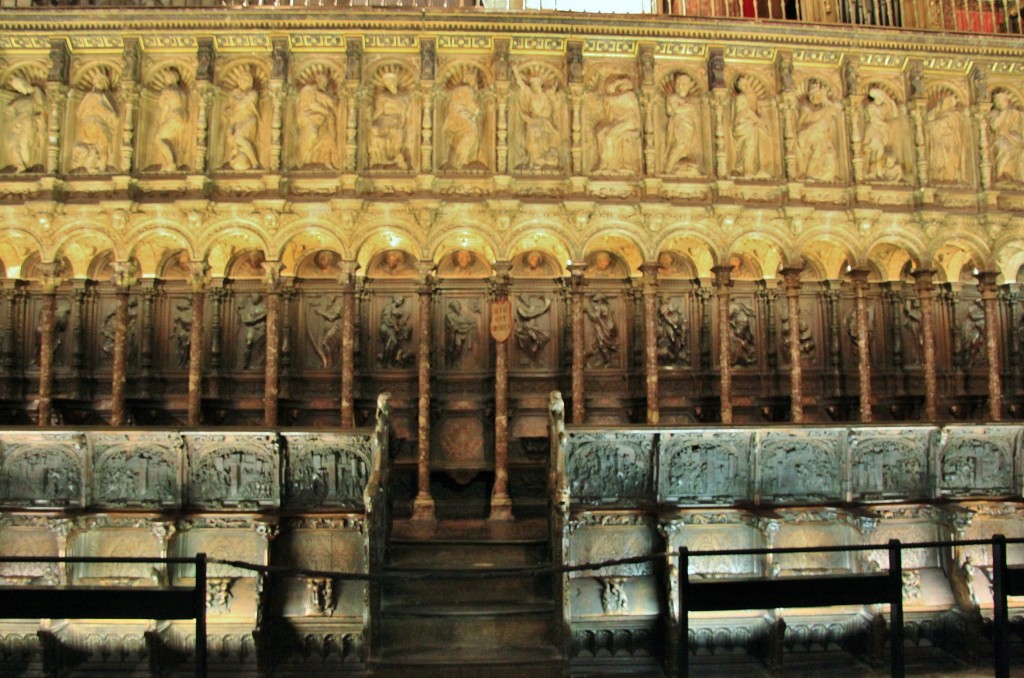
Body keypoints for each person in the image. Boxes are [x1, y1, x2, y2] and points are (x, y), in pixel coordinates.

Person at [71, 72, 119, 173]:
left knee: (102, 146)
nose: (99, 83)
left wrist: (104, 112)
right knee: (93, 146)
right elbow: (80, 111)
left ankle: (102, 168)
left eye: (102, 81)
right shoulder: (89, 96)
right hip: (90, 123)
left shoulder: (107, 98)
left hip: (101, 125)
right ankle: (93, 167)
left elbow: (112, 114)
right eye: (98, 80)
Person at [514, 70, 561, 171]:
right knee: (532, 135)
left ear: (540, 85)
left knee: (544, 142)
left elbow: (554, 90)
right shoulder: (530, 94)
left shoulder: (545, 95)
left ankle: (541, 160)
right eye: (533, 85)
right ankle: (533, 160)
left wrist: (557, 82)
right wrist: (515, 71)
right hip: (533, 122)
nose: (535, 86)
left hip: (544, 124)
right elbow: (521, 84)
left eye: (537, 84)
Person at [594, 76, 641, 174]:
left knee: (609, 135)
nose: (618, 89)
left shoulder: (629, 95)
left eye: (620, 86)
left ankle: (608, 166)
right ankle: (604, 161)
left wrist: (613, 86)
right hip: (621, 121)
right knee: (601, 132)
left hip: (629, 122)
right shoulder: (620, 96)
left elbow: (610, 100)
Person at [795, 80, 840, 182]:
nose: (816, 99)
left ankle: (823, 177)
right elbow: (805, 120)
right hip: (809, 136)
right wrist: (824, 111)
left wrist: (826, 101)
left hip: (823, 138)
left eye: (818, 96)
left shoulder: (827, 108)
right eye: (814, 97)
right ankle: (811, 174)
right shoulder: (806, 108)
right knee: (818, 149)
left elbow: (838, 110)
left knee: (830, 155)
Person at [295, 72, 339, 170]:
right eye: (324, 82)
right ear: (318, 80)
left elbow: (331, 104)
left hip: (321, 119)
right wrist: (326, 111)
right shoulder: (308, 90)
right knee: (313, 134)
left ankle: (326, 160)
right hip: (308, 118)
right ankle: (304, 160)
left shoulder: (323, 94)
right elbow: (311, 105)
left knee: (329, 137)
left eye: (326, 83)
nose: (325, 85)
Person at [368, 72, 410, 170]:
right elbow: (378, 113)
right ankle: (380, 161)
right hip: (384, 121)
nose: (389, 84)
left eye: (391, 81)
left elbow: (405, 113)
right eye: (387, 82)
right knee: (377, 136)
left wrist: (401, 122)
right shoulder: (382, 98)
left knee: (398, 136)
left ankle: (397, 158)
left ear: (395, 82)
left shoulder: (404, 98)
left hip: (398, 123)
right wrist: (372, 122)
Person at [3, 75, 44, 173]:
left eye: (21, 86)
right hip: (17, 124)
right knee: (11, 143)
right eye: (17, 88)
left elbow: (42, 105)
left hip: (28, 122)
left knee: (24, 143)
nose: (20, 89)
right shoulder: (16, 102)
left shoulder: (34, 98)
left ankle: (26, 166)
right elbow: (9, 112)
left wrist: (34, 89)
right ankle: (19, 165)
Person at [732, 76, 771, 179]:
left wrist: (760, 119)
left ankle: (758, 168)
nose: (745, 87)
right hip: (744, 124)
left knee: (759, 137)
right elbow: (744, 112)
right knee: (750, 140)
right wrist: (757, 120)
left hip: (753, 123)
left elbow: (757, 111)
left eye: (746, 84)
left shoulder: (753, 97)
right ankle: (747, 169)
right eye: (742, 85)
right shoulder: (741, 97)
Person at [151, 68, 188, 172]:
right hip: (182, 116)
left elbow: (165, 107)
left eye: (166, 77)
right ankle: (169, 162)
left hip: (173, 116)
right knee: (170, 139)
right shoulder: (181, 92)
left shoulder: (167, 90)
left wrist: (162, 120)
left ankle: (170, 163)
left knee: (159, 138)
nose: (165, 79)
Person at [664, 73, 701, 176]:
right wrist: (688, 107)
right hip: (679, 123)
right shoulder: (673, 97)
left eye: (685, 84)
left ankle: (682, 164)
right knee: (681, 143)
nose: (682, 86)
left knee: (687, 145)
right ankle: (668, 167)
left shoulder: (689, 100)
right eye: (681, 83)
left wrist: (686, 106)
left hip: (689, 125)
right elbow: (676, 109)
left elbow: (693, 113)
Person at [223, 69, 260, 171]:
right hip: (236, 122)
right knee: (231, 138)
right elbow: (231, 112)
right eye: (241, 79)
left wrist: (234, 104)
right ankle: (244, 156)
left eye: (246, 79)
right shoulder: (235, 94)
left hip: (249, 121)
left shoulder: (253, 93)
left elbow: (241, 105)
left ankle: (254, 161)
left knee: (238, 136)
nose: (243, 81)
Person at [442, 77, 482, 170]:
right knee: (471, 133)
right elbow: (472, 105)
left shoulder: (462, 91)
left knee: (465, 137)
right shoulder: (466, 90)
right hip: (461, 118)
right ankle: (461, 161)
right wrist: (477, 111)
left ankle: (459, 160)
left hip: (457, 117)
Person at [988, 90, 1024, 184]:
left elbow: (1019, 128)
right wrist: (1003, 113)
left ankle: (1017, 177)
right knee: (1004, 147)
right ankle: (1002, 175)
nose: (1000, 103)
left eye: (1002, 100)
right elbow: (994, 126)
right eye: (997, 102)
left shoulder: (1015, 113)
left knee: (1020, 153)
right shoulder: (994, 114)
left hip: (1014, 138)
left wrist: (1011, 135)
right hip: (1000, 139)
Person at [927, 92, 964, 183]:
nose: (943, 104)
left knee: (948, 159)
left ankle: (949, 175)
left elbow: (948, 126)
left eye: (946, 102)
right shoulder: (938, 113)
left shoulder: (954, 114)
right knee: (939, 158)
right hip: (939, 141)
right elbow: (930, 122)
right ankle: (940, 174)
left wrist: (936, 123)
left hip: (949, 141)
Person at [583, 294, 618, 367]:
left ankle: (607, 360)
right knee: (599, 344)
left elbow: (595, 317)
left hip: (604, 328)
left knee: (601, 343)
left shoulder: (602, 307)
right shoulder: (604, 307)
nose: (593, 302)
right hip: (601, 327)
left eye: (595, 301)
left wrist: (588, 309)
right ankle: (606, 360)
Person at [378, 296, 412, 367]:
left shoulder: (399, 309)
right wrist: (394, 325)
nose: (400, 301)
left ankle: (387, 361)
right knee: (393, 342)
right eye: (399, 299)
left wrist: (401, 324)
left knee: (393, 342)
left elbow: (399, 321)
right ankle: (387, 361)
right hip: (386, 326)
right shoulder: (389, 307)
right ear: (395, 299)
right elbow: (387, 318)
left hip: (393, 327)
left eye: (401, 300)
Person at [238, 293, 267, 370]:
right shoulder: (247, 307)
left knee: (260, 348)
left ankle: (256, 365)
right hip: (250, 330)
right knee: (248, 344)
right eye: (254, 298)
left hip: (260, 331)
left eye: (257, 298)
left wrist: (255, 318)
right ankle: (245, 363)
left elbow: (263, 315)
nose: (255, 300)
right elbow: (247, 319)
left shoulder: (262, 307)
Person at [444, 300, 476, 366]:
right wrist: (454, 327)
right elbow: (449, 325)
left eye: (459, 306)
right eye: (456, 306)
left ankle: (457, 361)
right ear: (453, 308)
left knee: (459, 348)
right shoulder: (449, 316)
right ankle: (452, 361)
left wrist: (466, 326)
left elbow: (471, 321)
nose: (458, 308)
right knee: (455, 348)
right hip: (453, 334)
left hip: (462, 333)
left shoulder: (462, 315)